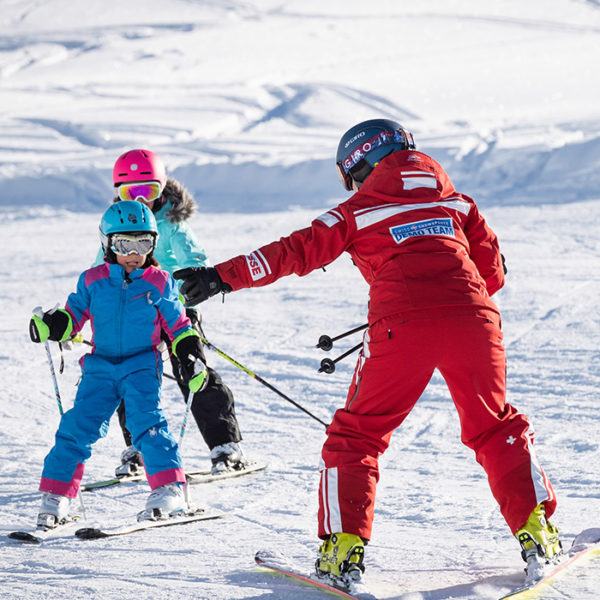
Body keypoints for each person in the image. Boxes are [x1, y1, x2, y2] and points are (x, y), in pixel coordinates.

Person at [173, 119, 562, 587]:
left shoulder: (356, 210)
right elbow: (493, 276)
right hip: (475, 323)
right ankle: (537, 532)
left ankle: (342, 551)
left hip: (400, 327)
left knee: (357, 436)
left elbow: (296, 250)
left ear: (357, 168)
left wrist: (221, 277)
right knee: (494, 426)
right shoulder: (457, 202)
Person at [29, 201, 208, 527]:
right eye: (124, 243)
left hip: (141, 365)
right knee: (75, 427)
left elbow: (179, 326)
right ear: (108, 244)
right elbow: (73, 317)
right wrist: (53, 325)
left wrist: (190, 355)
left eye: (144, 243)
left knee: (146, 424)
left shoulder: (158, 281)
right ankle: (57, 496)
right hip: (100, 366)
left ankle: (169, 488)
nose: (134, 253)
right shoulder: (92, 280)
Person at [97, 149, 248, 478]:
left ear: (162, 189)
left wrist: (193, 284)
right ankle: (141, 447)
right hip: (135, 314)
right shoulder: (116, 224)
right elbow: (100, 269)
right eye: (130, 192)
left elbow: (195, 258)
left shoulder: (173, 224)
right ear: (118, 193)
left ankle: (225, 445)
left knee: (191, 370)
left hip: (176, 308)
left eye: (147, 191)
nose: (140, 200)